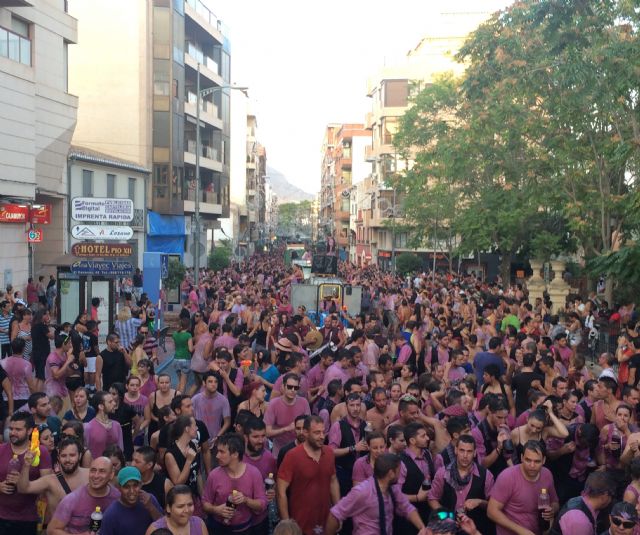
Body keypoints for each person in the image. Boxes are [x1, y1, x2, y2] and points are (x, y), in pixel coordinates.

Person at [326, 453, 428, 535]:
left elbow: (407, 508)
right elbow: (335, 514)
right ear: (391, 473)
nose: (400, 474)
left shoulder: (393, 489)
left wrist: (422, 527)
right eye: (398, 471)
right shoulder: (362, 491)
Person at [277, 415, 340, 535]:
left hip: (325, 523)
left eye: (323, 432)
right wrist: (287, 525)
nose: (322, 436)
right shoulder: (292, 456)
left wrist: (338, 511)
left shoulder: (329, 453)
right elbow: (280, 491)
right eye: (317, 433)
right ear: (305, 433)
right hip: (300, 525)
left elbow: (333, 481)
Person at [487, 440, 559, 535]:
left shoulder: (547, 474)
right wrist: (520, 530)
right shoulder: (507, 477)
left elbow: (555, 503)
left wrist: (552, 510)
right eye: (528, 460)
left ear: (544, 460)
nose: (532, 465)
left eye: (537, 461)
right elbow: (491, 511)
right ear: (521, 458)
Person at [428, 434, 494, 535]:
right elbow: (432, 498)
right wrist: (447, 517)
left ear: (475, 453)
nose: (465, 455)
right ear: (456, 450)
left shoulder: (486, 475)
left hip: (475, 529)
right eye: (462, 450)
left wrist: (479, 502)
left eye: (469, 451)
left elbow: (493, 506)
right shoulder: (443, 473)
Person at [202, 433, 267, 534]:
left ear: (235, 454)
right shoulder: (214, 475)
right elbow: (205, 503)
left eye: (222, 452)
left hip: (245, 529)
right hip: (218, 529)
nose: (217, 455)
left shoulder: (254, 473)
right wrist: (216, 510)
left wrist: (246, 500)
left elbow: (262, 504)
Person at [0, 411, 53, 535]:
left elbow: (47, 485)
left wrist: (23, 482)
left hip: (29, 518)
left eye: (18, 429)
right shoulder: (1, 450)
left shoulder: (40, 452)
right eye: (11, 429)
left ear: (29, 431)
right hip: (1, 516)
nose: (13, 433)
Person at [17, 437, 89, 525]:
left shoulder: (90, 476)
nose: (68, 460)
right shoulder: (50, 480)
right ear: (58, 457)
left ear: (80, 456)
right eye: (63, 456)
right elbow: (23, 489)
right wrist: (26, 465)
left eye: (72, 455)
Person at [48, 456, 120, 534]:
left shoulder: (118, 498)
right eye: (93, 470)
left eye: (102, 471)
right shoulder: (72, 499)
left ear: (111, 474)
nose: (96, 475)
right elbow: (51, 530)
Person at [396, 422, 435, 534]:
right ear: (412, 441)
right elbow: (396, 495)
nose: (427, 438)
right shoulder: (401, 462)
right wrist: (417, 497)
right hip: (407, 519)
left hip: (427, 513)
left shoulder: (428, 454)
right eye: (423, 436)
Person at [101, 466, 163, 535]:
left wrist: (151, 507)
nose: (132, 491)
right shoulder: (111, 515)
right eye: (126, 487)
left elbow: (164, 527)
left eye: (135, 485)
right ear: (119, 487)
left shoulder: (149, 499)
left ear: (141, 485)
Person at [550, 470, 615, 535]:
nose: (611, 499)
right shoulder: (580, 521)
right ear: (605, 496)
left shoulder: (578, 500)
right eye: (611, 495)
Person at [329, 392, 368, 496]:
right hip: (343, 473)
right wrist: (353, 448)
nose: (355, 408)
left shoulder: (365, 425)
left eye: (358, 405)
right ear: (346, 407)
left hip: (362, 474)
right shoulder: (338, 426)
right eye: (352, 405)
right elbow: (331, 452)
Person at [242, 416, 277, 533]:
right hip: (239, 520)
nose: (261, 440)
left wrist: (272, 491)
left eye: (263, 436)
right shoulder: (237, 457)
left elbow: (274, 482)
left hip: (261, 519)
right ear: (245, 437)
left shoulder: (269, 458)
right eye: (256, 437)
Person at [265, 373, 311, 457]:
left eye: (296, 388)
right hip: (279, 451)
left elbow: (309, 427)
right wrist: (286, 429)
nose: (293, 390)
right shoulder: (273, 404)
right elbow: (267, 432)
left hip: (300, 449)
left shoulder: (304, 402)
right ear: (283, 386)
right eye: (290, 387)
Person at [191, 372, 231, 445]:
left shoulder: (223, 400)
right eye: (210, 381)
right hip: (198, 439)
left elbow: (227, 422)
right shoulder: (195, 399)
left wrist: (218, 436)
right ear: (204, 383)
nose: (213, 384)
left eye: (216, 382)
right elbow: (190, 419)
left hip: (215, 439)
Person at [84, 391, 123, 460]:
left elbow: (121, 451)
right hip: (96, 468)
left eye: (113, 401)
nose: (114, 403)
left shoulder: (117, 425)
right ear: (101, 406)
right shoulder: (88, 427)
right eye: (110, 402)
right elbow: (85, 452)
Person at [1, 338, 36, 411]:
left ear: (12, 348)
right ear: (23, 349)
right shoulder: (27, 364)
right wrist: (36, 398)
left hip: (6, 396)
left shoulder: (2, 363)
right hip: (23, 397)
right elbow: (31, 386)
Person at [45, 333, 74, 400]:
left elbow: (69, 373)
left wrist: (71, 365)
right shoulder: (53, 357)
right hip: (53, 392)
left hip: (63, 390)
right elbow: (56, 376)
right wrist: (68, 362)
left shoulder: (65, 355)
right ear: (63, 344)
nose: (70, 346)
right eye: (69, 343)